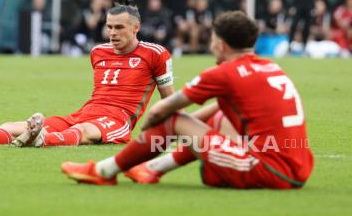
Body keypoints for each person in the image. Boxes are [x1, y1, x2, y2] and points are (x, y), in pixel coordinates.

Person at [61, 11, 314, 189]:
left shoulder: (224, 73)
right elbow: (223, 110)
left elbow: (164, 110)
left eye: (213, 40)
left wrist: (152, 131)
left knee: (172, 120)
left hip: (268, 171)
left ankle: (103, 171)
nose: (211, 45)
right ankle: (152, 168)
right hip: (298, 167)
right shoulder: (270, 67)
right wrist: (186, 126)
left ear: (221, 44)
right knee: (217, 117)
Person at [0, 0, 175, 148]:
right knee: (10, 125)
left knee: (85, 132)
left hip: (117, 120)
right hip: (85, 111)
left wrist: (167, 133)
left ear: (135, 28)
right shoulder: (98, 52)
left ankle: (40, 139)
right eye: (109, 27)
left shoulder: (156, 54)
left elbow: (169, 99)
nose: (112, 33)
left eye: (119, 28)